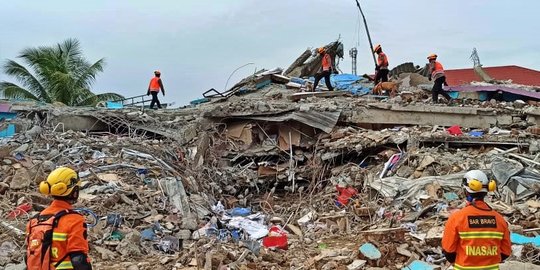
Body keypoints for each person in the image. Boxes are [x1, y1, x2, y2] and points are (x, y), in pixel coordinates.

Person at [442, 170, 511, 270]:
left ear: (466, 191)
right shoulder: (499, 220)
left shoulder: (457, 218)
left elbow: (448, 252)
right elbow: (505, 252)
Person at [26, 167, 92, 270]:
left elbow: (29, 256)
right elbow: (78, 259)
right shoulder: (74, 220)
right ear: (74, 191)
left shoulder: (34, 221)